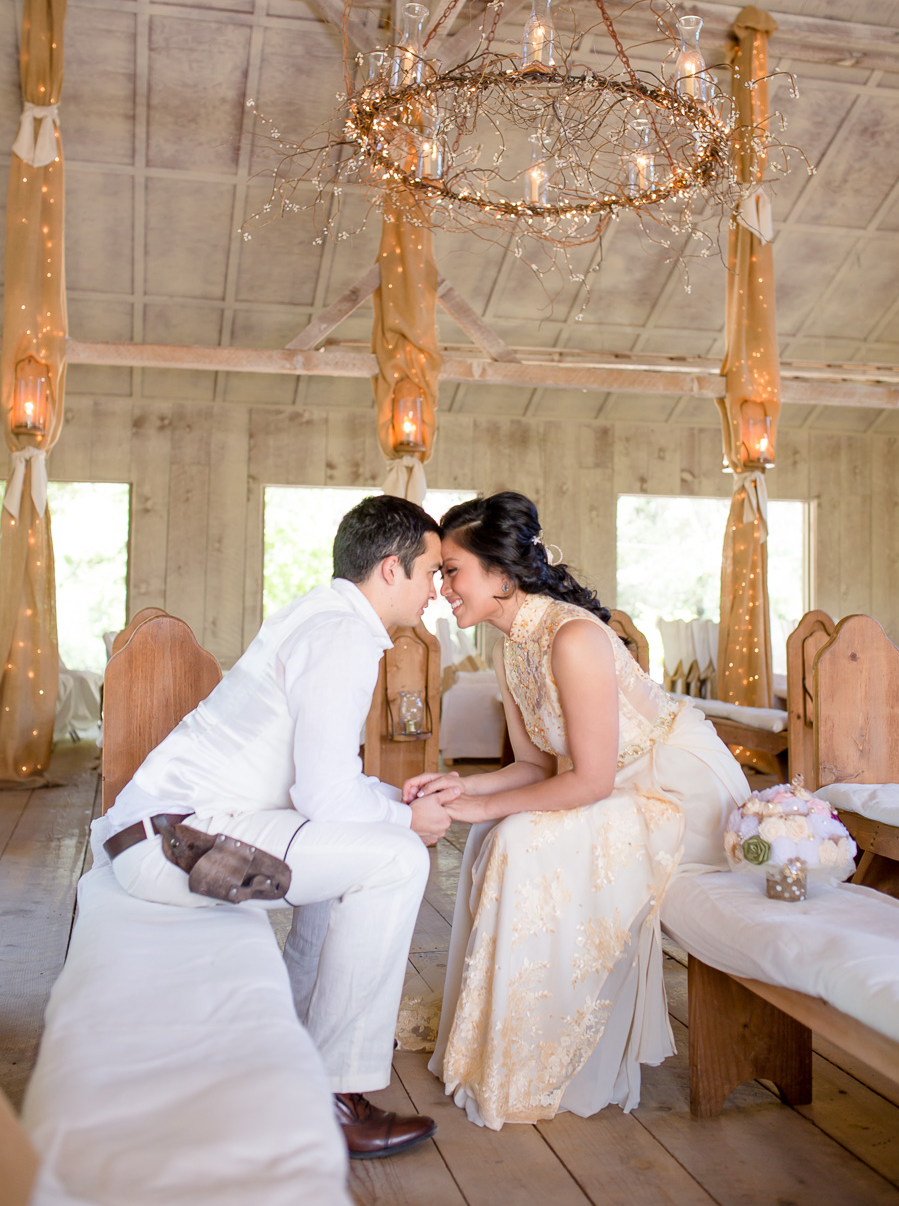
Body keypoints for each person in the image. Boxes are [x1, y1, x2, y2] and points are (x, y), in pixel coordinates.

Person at [96, 495, 460, 1160]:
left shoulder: (325, 617)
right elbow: (324, 795)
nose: (437, 590)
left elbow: (323, 780)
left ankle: (294, 1049)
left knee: (370, 847)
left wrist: (394, 798)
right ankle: (335, 1094)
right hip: (174, 843)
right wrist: (408, 819)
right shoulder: (341, 637)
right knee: (397, 857)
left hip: (175, 827)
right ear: (391, 568)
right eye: (432, 572)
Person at [404, 491, 750, 1130]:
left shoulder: (573, 636)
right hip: (611, 789)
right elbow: (535, 768)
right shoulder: (511, 647)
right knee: (495, 833)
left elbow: (589, 781)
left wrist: (484, 809)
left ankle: (543, 1055)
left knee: (516, 838)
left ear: (501, 574)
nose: (442, 587)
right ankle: (500, 1039)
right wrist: (460, 789)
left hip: (675, 796)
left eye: (451, 571)